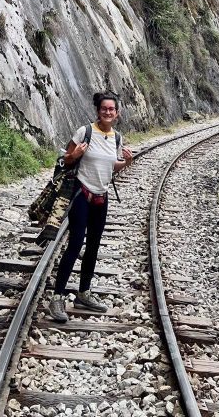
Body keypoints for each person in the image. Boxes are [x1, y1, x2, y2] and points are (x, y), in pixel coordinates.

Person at [48, 91, 133, 322]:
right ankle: (57, 297)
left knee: (93, 246)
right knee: (75, 244)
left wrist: (127, 162)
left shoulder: (116, 137)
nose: (108, 112)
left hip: (101, 198)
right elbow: (65, 160)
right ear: (98, 111)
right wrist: (74, 155)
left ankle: (83, 293)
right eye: (104, 108)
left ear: (117, 113)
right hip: (81, 195)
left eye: (111, 109)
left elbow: (112, 167)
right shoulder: (85, 132)